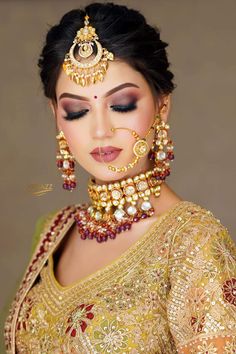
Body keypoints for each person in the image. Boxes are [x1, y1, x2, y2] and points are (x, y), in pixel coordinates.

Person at [4, 2, 236, 353]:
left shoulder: (193, 243)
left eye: (122, 105)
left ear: (162, 105)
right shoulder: (54, 231)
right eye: (77, 111)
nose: (100, 130)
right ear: (56, 115)